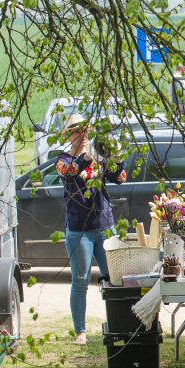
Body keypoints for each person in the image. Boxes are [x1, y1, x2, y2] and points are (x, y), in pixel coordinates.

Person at [56, 113, 127, 345]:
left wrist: (116, 158)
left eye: (85, 130)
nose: (82, 134)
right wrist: (87, 157)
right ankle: (80, 332)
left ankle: (119, 325)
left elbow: (121, 178)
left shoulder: (97, 156)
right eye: (76, 131)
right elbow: (70, 172)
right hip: (79, 230)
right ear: (69, 135)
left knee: (115, 280)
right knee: (80, 281)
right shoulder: (63, 160)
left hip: (105, 226)